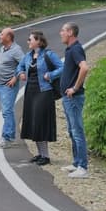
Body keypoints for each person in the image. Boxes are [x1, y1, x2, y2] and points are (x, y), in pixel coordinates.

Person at [16, 30, 62, 165]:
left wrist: (51, 75)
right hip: (30, 91)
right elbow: (19, 66)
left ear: (39, 41)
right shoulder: (28, 56)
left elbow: (62, 67)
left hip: (44, 92)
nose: (28, 42)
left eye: (30, 39)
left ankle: (46, 156)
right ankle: (40, 153)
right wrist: (21, 73)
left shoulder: (49, 54)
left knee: (41, 122)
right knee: (33, 122)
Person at [59, 22, 90, 178]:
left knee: (77, 131)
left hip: (74, 97)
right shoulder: (70, 49)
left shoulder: (76, 49)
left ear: (70, 32)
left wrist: (75, 88)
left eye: (63, 30)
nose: (61, 33)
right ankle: (76, 162)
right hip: (68, 97)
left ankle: (83, 167)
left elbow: (84, 68)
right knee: (72, 130)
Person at [0, 28, 25, 150]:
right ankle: (9, 135)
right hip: (1, 84)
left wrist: (15, 78)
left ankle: (7, 138)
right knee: (6, 111)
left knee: (7, 111)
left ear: (9, 37)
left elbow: (24, 63)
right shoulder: (3, 48)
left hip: (8, 86)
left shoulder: (16, 50)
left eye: (1, 34)